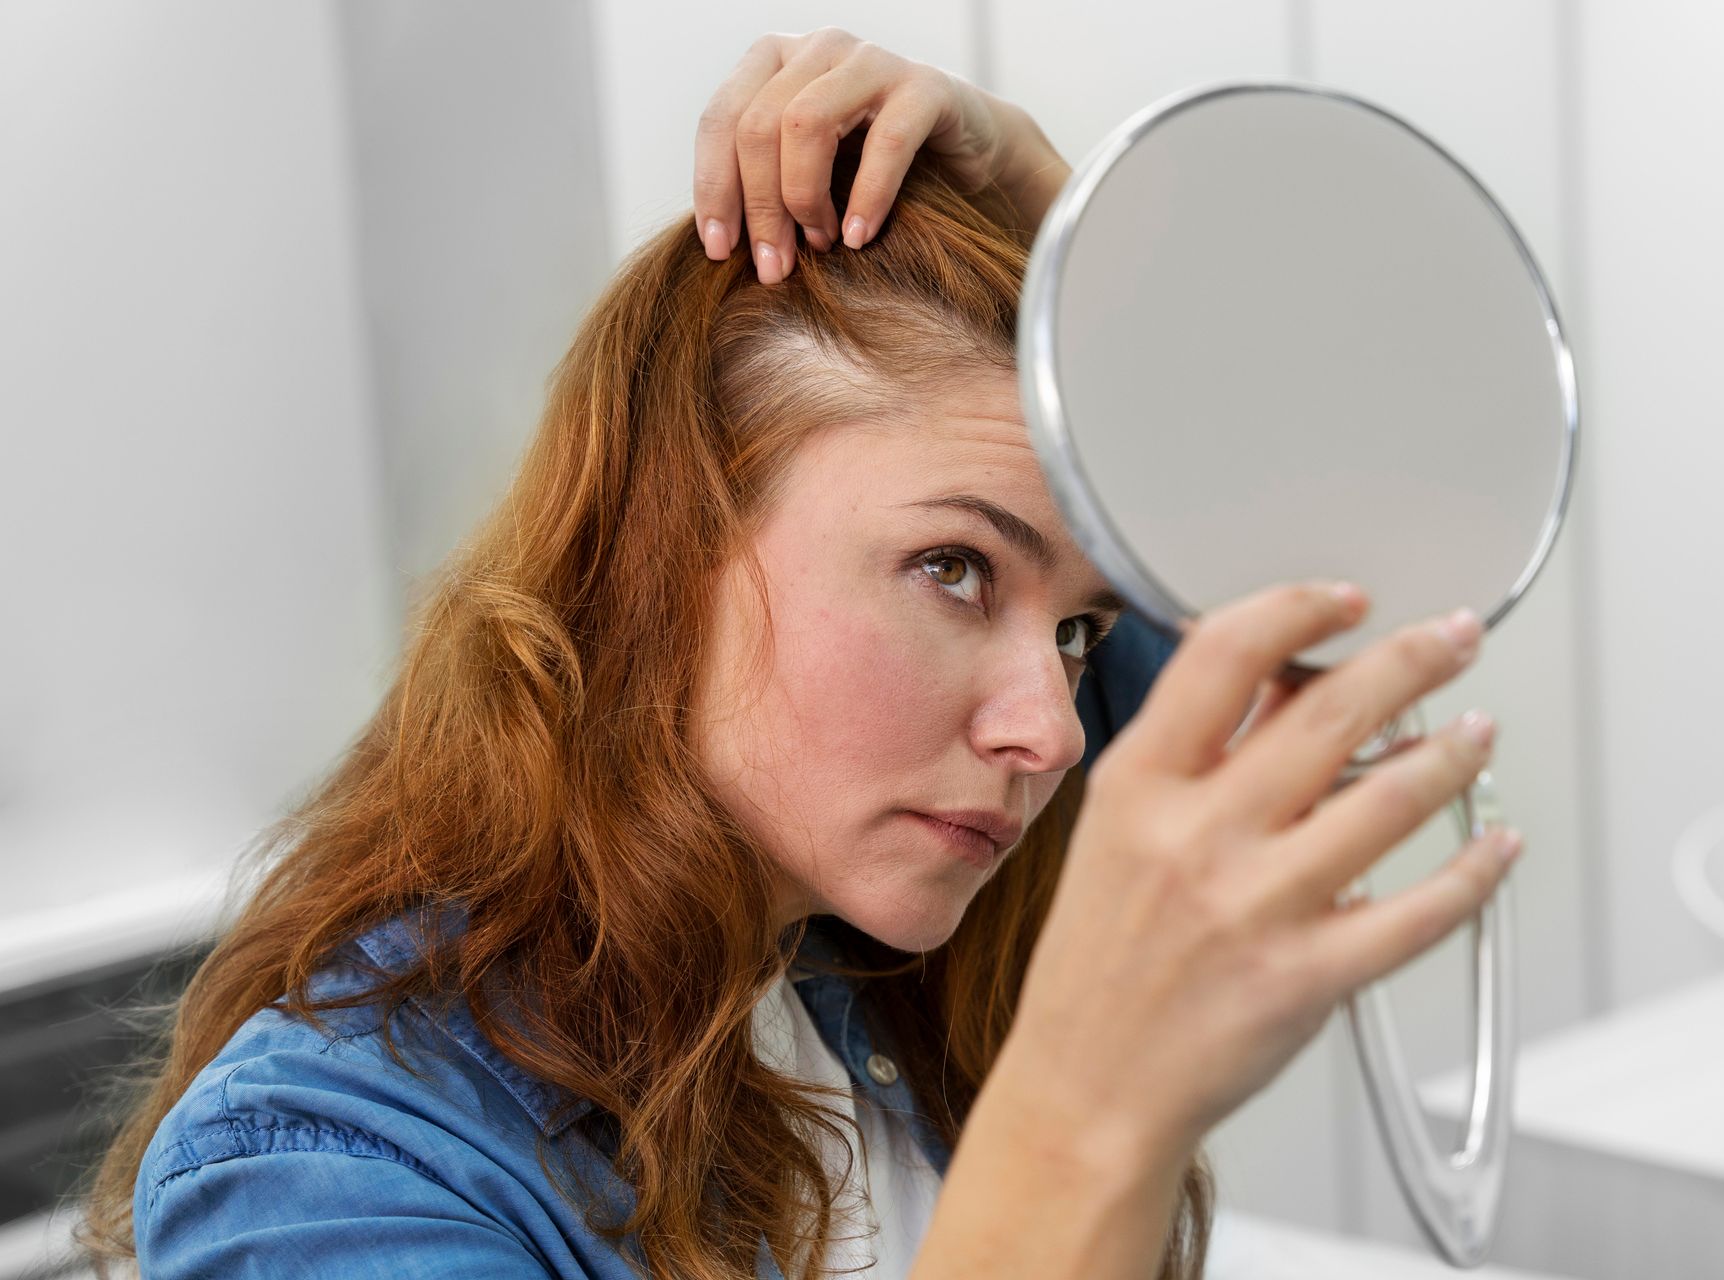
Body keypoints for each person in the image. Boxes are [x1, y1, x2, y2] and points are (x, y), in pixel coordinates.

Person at [77, 28, 1519, 1280]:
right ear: (666, 551)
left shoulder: (879, 949)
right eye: (953, 569)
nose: (1057, 730)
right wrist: (1081, 1126)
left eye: (1082, 630)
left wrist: (1076, 227)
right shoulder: (327, 1174)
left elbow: (1325, 552)